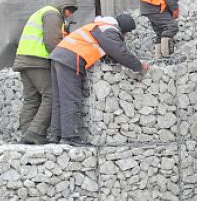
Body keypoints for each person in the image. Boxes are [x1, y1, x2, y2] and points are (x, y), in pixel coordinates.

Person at [49, 14, 148, 145]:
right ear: (122, 29)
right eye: (127, 33)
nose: (125, 36)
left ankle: (55, 135)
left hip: (59, 56)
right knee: (71, 98)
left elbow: (109, 53)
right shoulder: (109, 30)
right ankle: (69, 137)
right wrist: (139, 66)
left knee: (60, 99)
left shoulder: (98, 27)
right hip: (71, 59)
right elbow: (119, 51)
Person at [12, 0, 78, 144]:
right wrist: (64, 59)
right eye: (70, 10)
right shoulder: (53, 14)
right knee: (51, 95)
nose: (70, 14)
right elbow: (51, 41)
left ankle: (27, 133)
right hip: (37, 61)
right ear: (64, 7)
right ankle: (35, 132)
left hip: (24, 59)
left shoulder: (41, 12)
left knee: (32, 99)